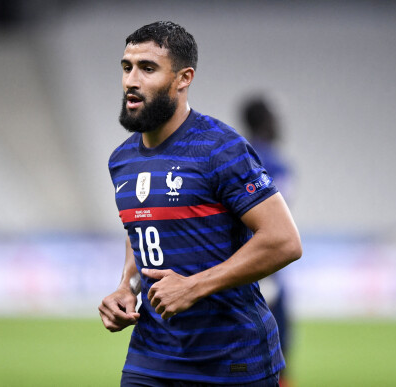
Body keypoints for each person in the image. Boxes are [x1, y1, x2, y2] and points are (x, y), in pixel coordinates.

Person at [98, 21, 302, 387]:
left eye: (147, 68)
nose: (131, 80)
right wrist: (125, 286)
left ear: (182, 78)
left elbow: (283, 240)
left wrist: (193, 286)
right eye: (126, 67)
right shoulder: (121, 160)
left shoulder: (219, 148)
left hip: (230, 360)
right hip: (151, 357)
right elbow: (141, 227)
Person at [241, 97, 295, 387]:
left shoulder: (236, 155)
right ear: (265, 121)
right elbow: (279, 219)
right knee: (276, 354)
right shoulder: (275, 162)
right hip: (266, 267)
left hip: (235, 260)